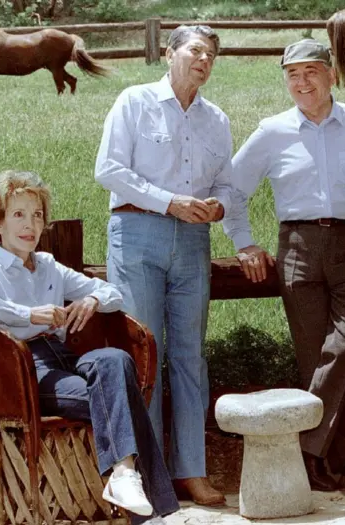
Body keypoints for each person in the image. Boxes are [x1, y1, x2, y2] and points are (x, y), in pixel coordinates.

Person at [222, 38, 345, 491]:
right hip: (297, 247)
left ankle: (306, 448)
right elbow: (232, 191)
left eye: (312, 71)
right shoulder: (272, 132)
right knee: (316, 357)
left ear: (332, 74)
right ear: (285, 81)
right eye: (293, 74)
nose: (303, 81)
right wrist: (245, 243)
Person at [0, 171, 179, 522]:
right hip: (27, 368)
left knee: (115, 360)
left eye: (37, 215)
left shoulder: (48, 266)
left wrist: (91, 299)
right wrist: (29, 313)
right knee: (124, 396)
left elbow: (113, 294)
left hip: (66, 359)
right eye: (18, 214)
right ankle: (145, 504)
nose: (30, 224)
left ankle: (123, 475)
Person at [95, 25, 231, 506]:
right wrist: (168, 202)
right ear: (170, 53)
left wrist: (218, 207)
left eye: (212, 54)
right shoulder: (134, 101)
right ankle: (147, 474)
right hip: (137, 235)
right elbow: (108, 170)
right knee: (144, 352)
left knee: (191, 355)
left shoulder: (217, 119)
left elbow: (229, 185)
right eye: (196, 50)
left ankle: (190, 470)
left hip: (193, 241)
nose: (205, 59)